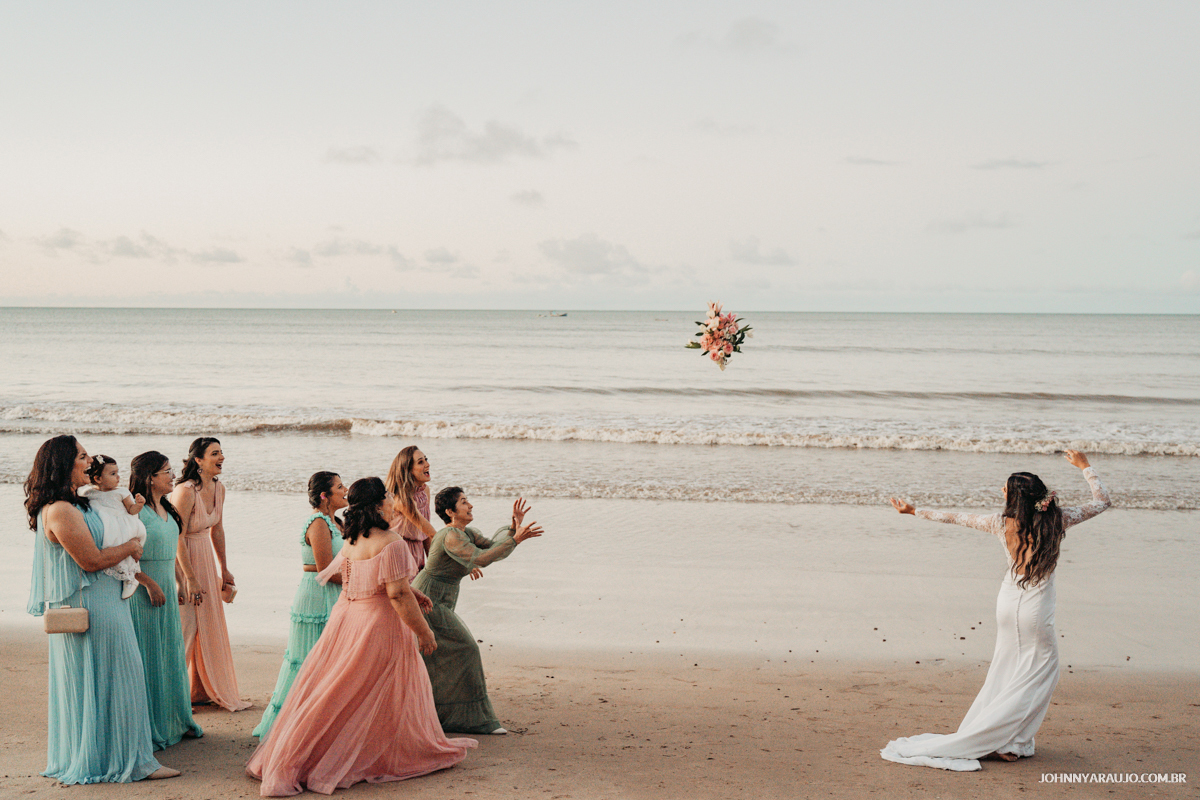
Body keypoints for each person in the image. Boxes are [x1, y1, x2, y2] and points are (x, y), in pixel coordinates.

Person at [881, 449, 1111, 771]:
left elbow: (955, 517)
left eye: (1005, 488)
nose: (1001, 491)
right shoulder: (1059, 519)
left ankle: (1006, 738)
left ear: (1015, 498)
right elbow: (1102, 501)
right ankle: (1009, 742)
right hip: (1035, 609)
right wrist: (1085, 466)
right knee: (1040, 673)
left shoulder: (1000, 523)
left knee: (1006, 670)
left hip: (1007, 603)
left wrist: (914, 511)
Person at [246, 477, 475, 796]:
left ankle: (306, 754)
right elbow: (394, 594)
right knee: (378, 688)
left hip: (348, 618)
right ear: (380, 504)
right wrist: (422, 631)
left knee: (342, 690)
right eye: (390, 497)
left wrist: (412, 592)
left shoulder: (353, 537)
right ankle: (375, 753)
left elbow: (372, 579)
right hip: (378, 622)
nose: (394, 501)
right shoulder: (392, 540)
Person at [25, 435, 179, 783]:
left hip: (108, 600)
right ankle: (131, 762)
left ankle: (110, 756)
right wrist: (130, 546)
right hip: (93, 606)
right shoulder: (61, 510)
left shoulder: (78, 504)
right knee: (120, 677)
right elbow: (91, 560)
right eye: (82, 456)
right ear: (65, 464)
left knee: (111, 678)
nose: (90, 460)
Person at [414, 489, 544, 734]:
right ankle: (476, 720)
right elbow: (482, 559)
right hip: (428, 599)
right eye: (464, 502)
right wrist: (515, 539)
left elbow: (492, 546)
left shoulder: (467, 533)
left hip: (442, 598)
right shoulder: (450, 536)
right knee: (467, 649)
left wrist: (513, 526)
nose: (470, 505)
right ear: (450, 512)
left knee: (434, 657)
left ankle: (435, 716)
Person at [252, 472, 348, 739]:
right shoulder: (318, 523)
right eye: (340, 486)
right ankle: (295, 724)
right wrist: (367, 575)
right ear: (324, 496)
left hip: (334, 593)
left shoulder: (337, 522)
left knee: (331, 658)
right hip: (317, 596)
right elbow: (326, 571)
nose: (346, 489)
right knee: (309, 658)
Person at [127, 451, 204, 750]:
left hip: (166, 591)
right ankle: (150, 723)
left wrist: (181, 580)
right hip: (142, 591)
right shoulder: (135, 509)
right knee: (149, 655)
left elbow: (170, 549)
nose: (173, 476)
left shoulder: (168, 507)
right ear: (149, 477)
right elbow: (124, 556)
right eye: (166, 471)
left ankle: (175, 718)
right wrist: (148, 583)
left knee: (170, 652)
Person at [170, 436, 251, 711]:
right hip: (183, 559)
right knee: (187, 626)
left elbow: (217, 529)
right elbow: (177, 535)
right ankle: (174, 698)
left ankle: (200, 689)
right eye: (215, 453)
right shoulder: (185, 491)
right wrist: (188, 578)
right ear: (198, 460)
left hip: (205, 555)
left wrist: (224, 568)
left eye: (222, 452)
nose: (222, 457)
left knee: (208, 621)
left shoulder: (219, 489)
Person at [78, 454, 147, 599]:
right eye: (113, 474)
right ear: (97, 479)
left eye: (118, 473)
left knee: (126, 550)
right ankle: (118, 572)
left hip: (123, 525)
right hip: (106, 525)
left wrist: (139, 504)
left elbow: (131, 510)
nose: (118, 477)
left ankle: (131, 577)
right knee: (109, 546)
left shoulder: (122, 492)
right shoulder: (88, 493)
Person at [386, 446, 437, 572]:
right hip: (400, 552)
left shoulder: (425, 491)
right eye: (421, 462)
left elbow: (426, 534)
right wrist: (461, 557)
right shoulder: (402, 499)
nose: (427, 464)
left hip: (417, 551)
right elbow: (431, 532)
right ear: (408, 470)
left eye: (426, 460)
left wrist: (433, 566)